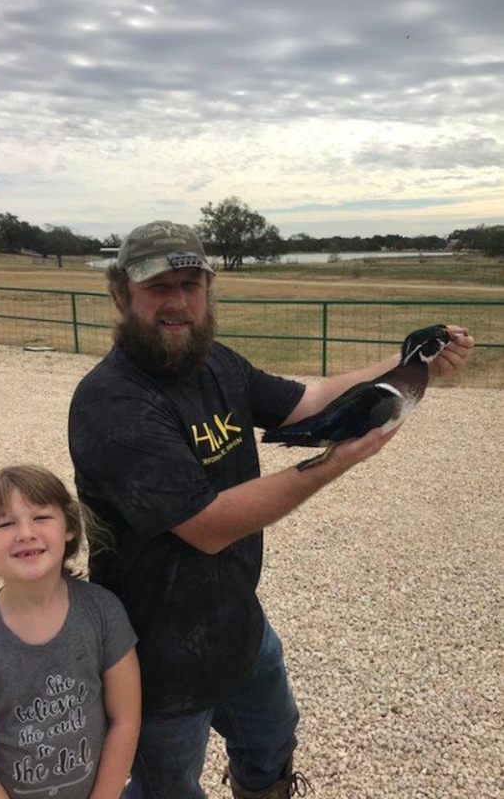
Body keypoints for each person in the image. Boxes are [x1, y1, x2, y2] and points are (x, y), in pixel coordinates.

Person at [68, 220, 474, 799]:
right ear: (120, 294)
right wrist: (331, 463)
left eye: (191, 284)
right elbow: (208, 526)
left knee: (271, 741)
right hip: (153, 654)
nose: (178, 302)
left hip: (237, 621)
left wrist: (414, 361)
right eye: (158, 287)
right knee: (168, 787)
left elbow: (307, 401)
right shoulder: (112, 402)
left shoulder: (216, 363)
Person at [0, 465, 141, 799]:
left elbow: (125, 720)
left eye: (41, 517)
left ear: (70, 528)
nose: (25, 533)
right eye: (5, 524)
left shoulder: (103, 613)